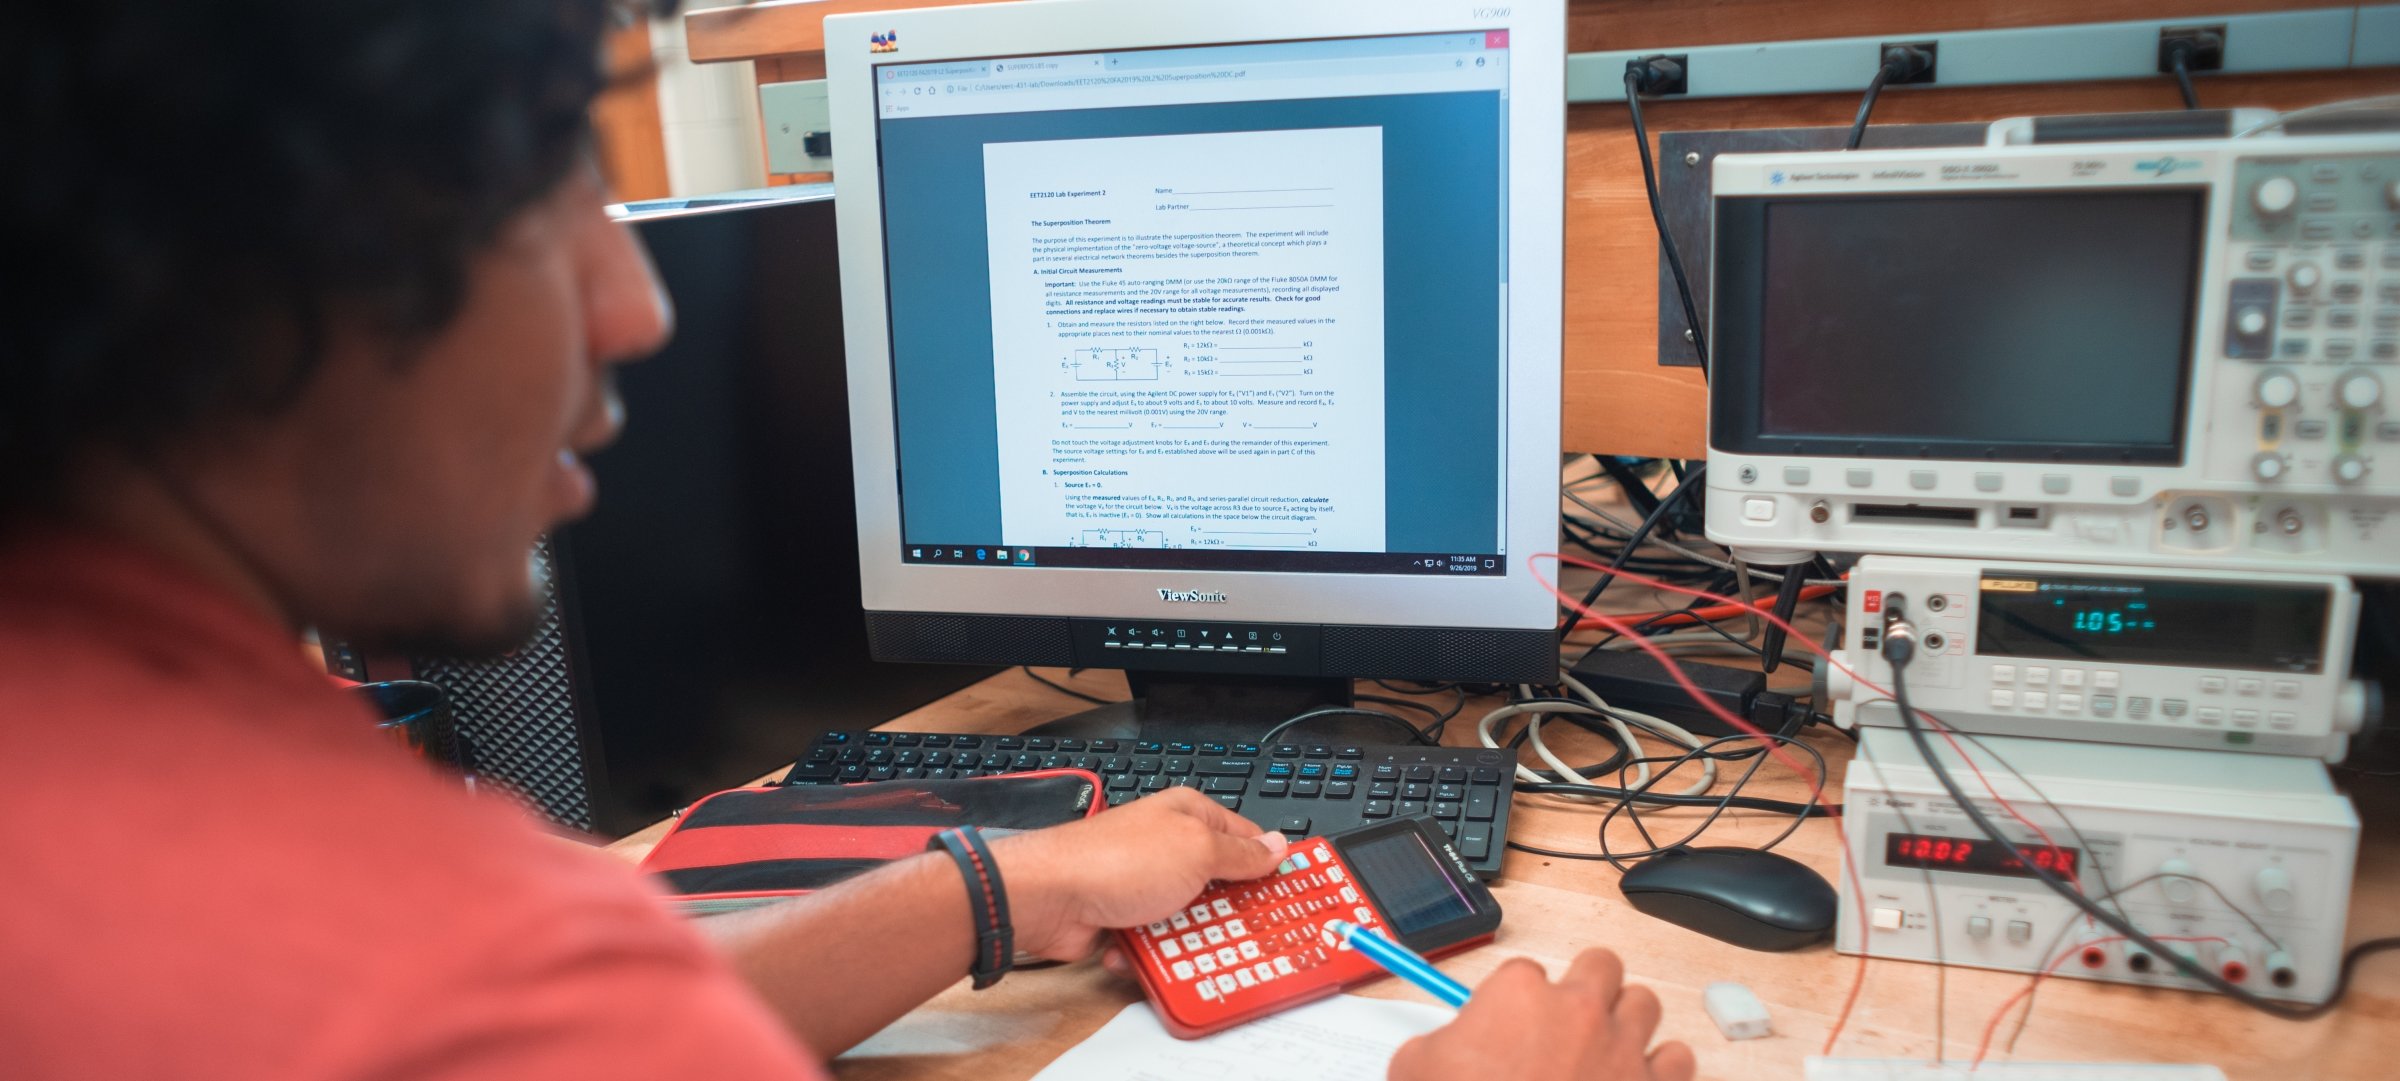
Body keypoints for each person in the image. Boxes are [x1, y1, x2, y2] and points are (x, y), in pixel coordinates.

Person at [0, 3, 1695, 1079]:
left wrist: (986, 885)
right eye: (541, 189)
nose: (631, 302)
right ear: (250, 258)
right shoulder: (418, 966)